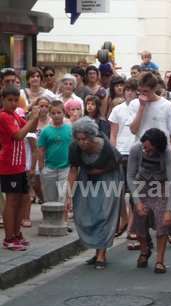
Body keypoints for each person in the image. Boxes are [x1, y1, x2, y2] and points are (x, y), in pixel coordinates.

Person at [67, 118, 123, 269]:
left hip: (109, 177)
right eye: (78, 139)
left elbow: (117, 162)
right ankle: (96, 249)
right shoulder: (74, 148)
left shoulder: (105, 147)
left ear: (91, 136)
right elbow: (73, 171)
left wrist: (100, 170)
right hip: (86, 177)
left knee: (104, 214)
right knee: (86, 213)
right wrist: (69, 194)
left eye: (85, 139)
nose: (82, 142)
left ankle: (101, 254)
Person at [127, 128, 171, 273]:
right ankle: (144, 250)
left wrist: (169, 210)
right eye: (144, 147)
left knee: (162, 223)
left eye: (149, 148)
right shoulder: (136, 149)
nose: (145, 150)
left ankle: (160, 260)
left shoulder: (167, 153)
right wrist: (137, 201)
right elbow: (130, 176)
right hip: (141, 185)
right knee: (139, 221)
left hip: (161, 186)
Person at [0, 86, 40, 251]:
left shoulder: (15, 115)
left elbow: (31, 128)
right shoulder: (3, 116)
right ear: (3, 100)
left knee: (20, 201)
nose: (13, 103)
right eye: (10, 100)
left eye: (16, 100)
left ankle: (16, 234)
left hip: (19, 165)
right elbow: (18, 135)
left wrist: (35, 116)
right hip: (9, 165)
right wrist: (32, 119)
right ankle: (9, 238)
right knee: (11, 201)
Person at [128, 72, 171, 167]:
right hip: (141, 152)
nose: (142, 94)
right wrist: (141, 107)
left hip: (162, 152)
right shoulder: (134, 104)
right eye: (140, 91)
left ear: (154, 89)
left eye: (146, 91)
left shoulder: (167, 105)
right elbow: (133, 130)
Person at [109, 79, 137, 247]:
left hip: (135, 152)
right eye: (127, 90)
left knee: (134, 192)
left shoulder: (140, 108)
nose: (128, 93)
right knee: (118, 190)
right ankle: (124, 218)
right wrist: (113, 152)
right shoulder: (117, 109)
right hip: (120, 152)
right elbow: (113, 133)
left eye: (132, 90)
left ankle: (132, 226)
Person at [37, 100, 72, 228]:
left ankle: (64, 221)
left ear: (64, 113)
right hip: (50, 167)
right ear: (50, 114)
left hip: (66, 168)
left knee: (63, 196)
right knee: (50, 197)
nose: (56, 115)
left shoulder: (70, 129)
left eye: (59, 112)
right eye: (53, 113)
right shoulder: (46, 131)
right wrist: (41, 167)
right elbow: (40, 150)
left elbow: (73, 147)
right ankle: (51, 221)